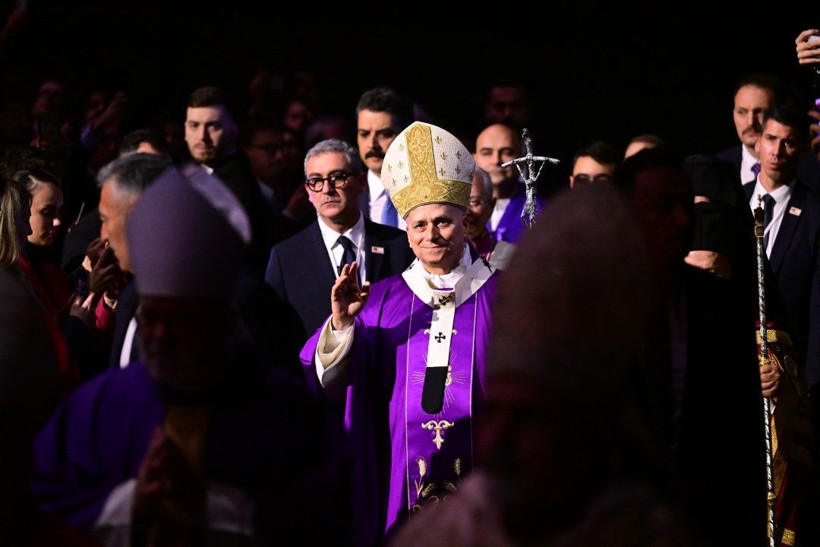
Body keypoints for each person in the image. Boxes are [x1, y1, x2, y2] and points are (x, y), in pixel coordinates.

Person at [30, 165, 351, 546]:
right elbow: (40, 502)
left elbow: (332, 514)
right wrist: (131, 504)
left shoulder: (291, 414)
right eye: (152, 317)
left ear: (225, 320)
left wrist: (220, 509)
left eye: (182, 319)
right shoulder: (97, 409)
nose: (162, 335)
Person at [389, 183, 698, 547]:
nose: (500, 437)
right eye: (496, 411)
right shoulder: (446, 532)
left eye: (527, 414)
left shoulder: (641, 531)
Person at [300, 121, 503, 546]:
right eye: (419, 225)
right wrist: (341, 324)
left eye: (443, 222)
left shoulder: (504, 297)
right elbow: (330, 385)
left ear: (466, 222)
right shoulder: (379, 302)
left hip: (488, 480)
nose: (431, 236)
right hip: (397, 475)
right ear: (406, 233)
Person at [612, 146, 770, 546]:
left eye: (686, 205)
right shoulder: (588, 310)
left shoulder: (722, 305)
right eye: (663, 207)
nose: (682, 220)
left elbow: (742, 439)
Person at [264, 138, 414, 355]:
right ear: (308, 190)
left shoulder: (401, 245)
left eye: (338, 177)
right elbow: (274, 336)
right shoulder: (285, 257)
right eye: (316, 180)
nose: (327, 189)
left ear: (361, 182)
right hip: (315, 384)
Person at [183, 85, 274, 277]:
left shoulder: (234, 188)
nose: (202, 137)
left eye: (213, 126)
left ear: (233, 132)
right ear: (185, 130)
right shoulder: (199, 176)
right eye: (194, 125)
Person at [474, 122, 546, 244]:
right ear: (473, 159)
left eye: (507, 152)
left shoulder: (541, 209)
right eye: (487, 153)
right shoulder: (458, 208)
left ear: (523, 160)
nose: (496, 160)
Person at [355, 86, 415, 230]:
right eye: (364, 134)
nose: (371, 145)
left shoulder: (431, 191)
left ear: (408, 135)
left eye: (384, 134)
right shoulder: (350, 197)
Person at [714, 72, 786, 186]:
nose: (750, 122)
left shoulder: (806, 168)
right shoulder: (716, 168)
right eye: (742, 112)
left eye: (759, 112)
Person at [465, 165, 514, 269]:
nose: (466, 211)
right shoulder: (429, 258)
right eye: (456, 202)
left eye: (474, 202)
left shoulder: (513, 260)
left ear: (491, 206)